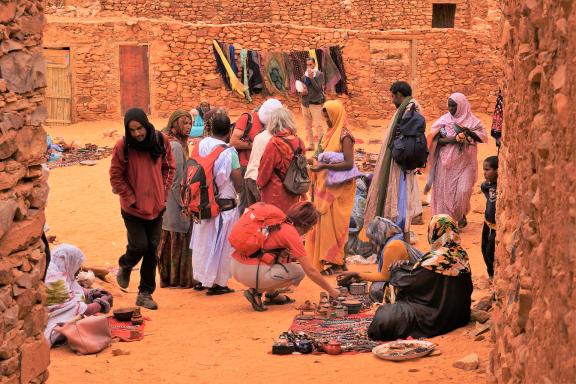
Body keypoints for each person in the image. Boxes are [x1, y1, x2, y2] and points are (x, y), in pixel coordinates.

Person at [367, 215, 473, 341]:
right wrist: (406, 265)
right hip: (460, 315)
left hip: (435, 315)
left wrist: (396, 271)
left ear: (434, 232)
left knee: (383, 315)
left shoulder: (435, 258)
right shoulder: (461, 255)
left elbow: (411, 283)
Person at [110, 108, 175, 310]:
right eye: (132, 130)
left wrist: (163, 194)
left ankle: (145, 293)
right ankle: (125, 265)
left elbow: (169, 168)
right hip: (133, 209)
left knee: (152, 250)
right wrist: (132, 199)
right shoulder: (123, 147)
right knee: (140, 245)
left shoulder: (160, 141)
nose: (137, 133)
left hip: (156, 207)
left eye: (140, 128)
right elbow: (116, 176)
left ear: (146, 124)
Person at [231, 202, 341, 312]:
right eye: (311, 227)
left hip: (236, 265)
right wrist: (331, 291)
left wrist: (280, 254)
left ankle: (271, 294)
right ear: (305, 225)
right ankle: (255, 292)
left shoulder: (279, 223)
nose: (309, 231)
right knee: (298, 272)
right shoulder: (291, 233)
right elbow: (310, 271)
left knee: (284, 258)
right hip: (250, 271)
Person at [190, 112, 243, 295]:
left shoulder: (200, 144)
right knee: (221, 245)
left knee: (202, 242)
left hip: (201, 202)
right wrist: (239, 190)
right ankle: (218, 283)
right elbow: (237, 180)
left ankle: (201, 279)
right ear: (229, 130)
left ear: (210, 128)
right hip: (223, 205)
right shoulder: (229, 152)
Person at [364, 81, 424, 243]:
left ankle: (399, 240)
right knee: (400, 200)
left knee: (400, 201)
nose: (392, 100)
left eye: (392, 96)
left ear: (399, 94)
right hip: (401, 163)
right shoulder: (409, 107)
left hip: (400, 165)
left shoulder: (409, 109)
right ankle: (400, 238)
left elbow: (405, 136)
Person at [306, 100, 356, 275]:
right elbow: (318, 158)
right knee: (325, 223)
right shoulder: (327, 135)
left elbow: (349, 163)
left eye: (328, 115)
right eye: (325, 115)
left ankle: (338, 262)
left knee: (337, 225)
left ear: (337, 114)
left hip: (340, 189)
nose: (326, 118)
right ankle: (331, 261)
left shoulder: (345, 136)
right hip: (326, 187)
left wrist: (324, 167)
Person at [424, 92, 488, 228]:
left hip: (465, 164)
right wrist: (454, 139)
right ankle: (448, 223)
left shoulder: (473, 122)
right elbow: (435, 140)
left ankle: (460, 214)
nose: (451, 109)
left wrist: (468, 133)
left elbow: (482, 137)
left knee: (463, 191)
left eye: (454, 106)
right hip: (445, 164)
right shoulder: (444, 121)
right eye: (449, 106)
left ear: (462, 106)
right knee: (445, 194)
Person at [339, 217, 423, 303]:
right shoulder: (394, 240)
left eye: (372, 238)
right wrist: (358, 276)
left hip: (418, 284)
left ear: (378, 235)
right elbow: (385, 273)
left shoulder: (392, 246)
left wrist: (357, 275)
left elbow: (385, 276)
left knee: (376, 289)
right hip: (413, 278)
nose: (371, 241)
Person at [45, 244, 113, 346]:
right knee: (89, 325)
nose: (79, 270)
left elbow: (73, 287)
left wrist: (91, 293)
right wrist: (101, 303)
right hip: (50, 327)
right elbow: (79, 309)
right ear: (69, 261)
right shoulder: (53, 280)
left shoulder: (56, 269)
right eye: (77, 265)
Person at [157, 110, 196, 288]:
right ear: (174, 125)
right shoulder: (176, 147)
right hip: (174, 200)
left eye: (190, 123)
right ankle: (179, 279)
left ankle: (170, 278)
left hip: (164, 199)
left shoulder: (169, 142)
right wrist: (183, 204)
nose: (188, 126)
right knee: (178, 234)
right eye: (184, 123)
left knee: (168, 236)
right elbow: (177, 180)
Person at [231, 99, 282, 212]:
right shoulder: (248, 119)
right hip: (246, 167)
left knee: (259, 206)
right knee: (245, 206)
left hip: (262, 169)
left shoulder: (272, 124)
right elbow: (233, 142)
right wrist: (255, 145)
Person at [257, 107, 306, 213]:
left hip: (275, 193)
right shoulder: (299, 141)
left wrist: (259, 184)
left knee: (275, 224)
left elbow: (265, 170)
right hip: (293, 189)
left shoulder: (274, 143)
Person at [299, 57, 325, 150]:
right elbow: (302, 88)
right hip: (305, 103)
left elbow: (319, 90)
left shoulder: (319, 75)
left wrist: (311, 78)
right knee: (307, 125)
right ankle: (311, 145)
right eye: (307, 65)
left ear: (314, 64)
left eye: (310, 64)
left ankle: (321, 146)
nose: (309, 66)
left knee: (318, 125)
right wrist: (302, 91)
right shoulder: (303, 76)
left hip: (315, 104)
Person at [481, 156, 498, 278]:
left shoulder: (499, 186)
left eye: (488, 170)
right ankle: (490, 273)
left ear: (497, 170)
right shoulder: (486, 186)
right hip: (487, 223)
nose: (485, 173)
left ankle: (493, 275)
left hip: (496, 226)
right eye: (484, 170)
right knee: (484, 248)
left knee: (490, 251)